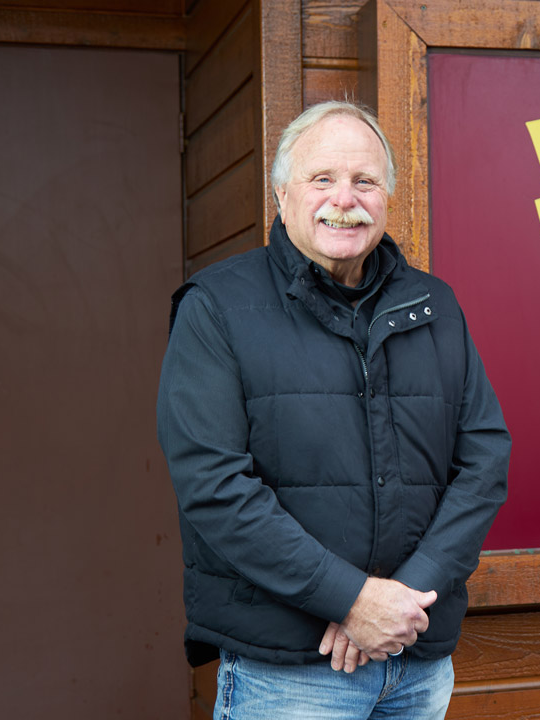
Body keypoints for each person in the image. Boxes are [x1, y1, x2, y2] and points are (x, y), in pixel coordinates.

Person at [157, 100, 510, 719]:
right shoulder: (215, 307)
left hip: (416, 662)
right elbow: (213, 485)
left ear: (387, 197)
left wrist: (395, 602)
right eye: (322, 178)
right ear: (282, 192)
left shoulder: (436, 306)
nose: (343, 199)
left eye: (364, 181)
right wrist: (349, 600)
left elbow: (484, 460)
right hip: (288, 675)